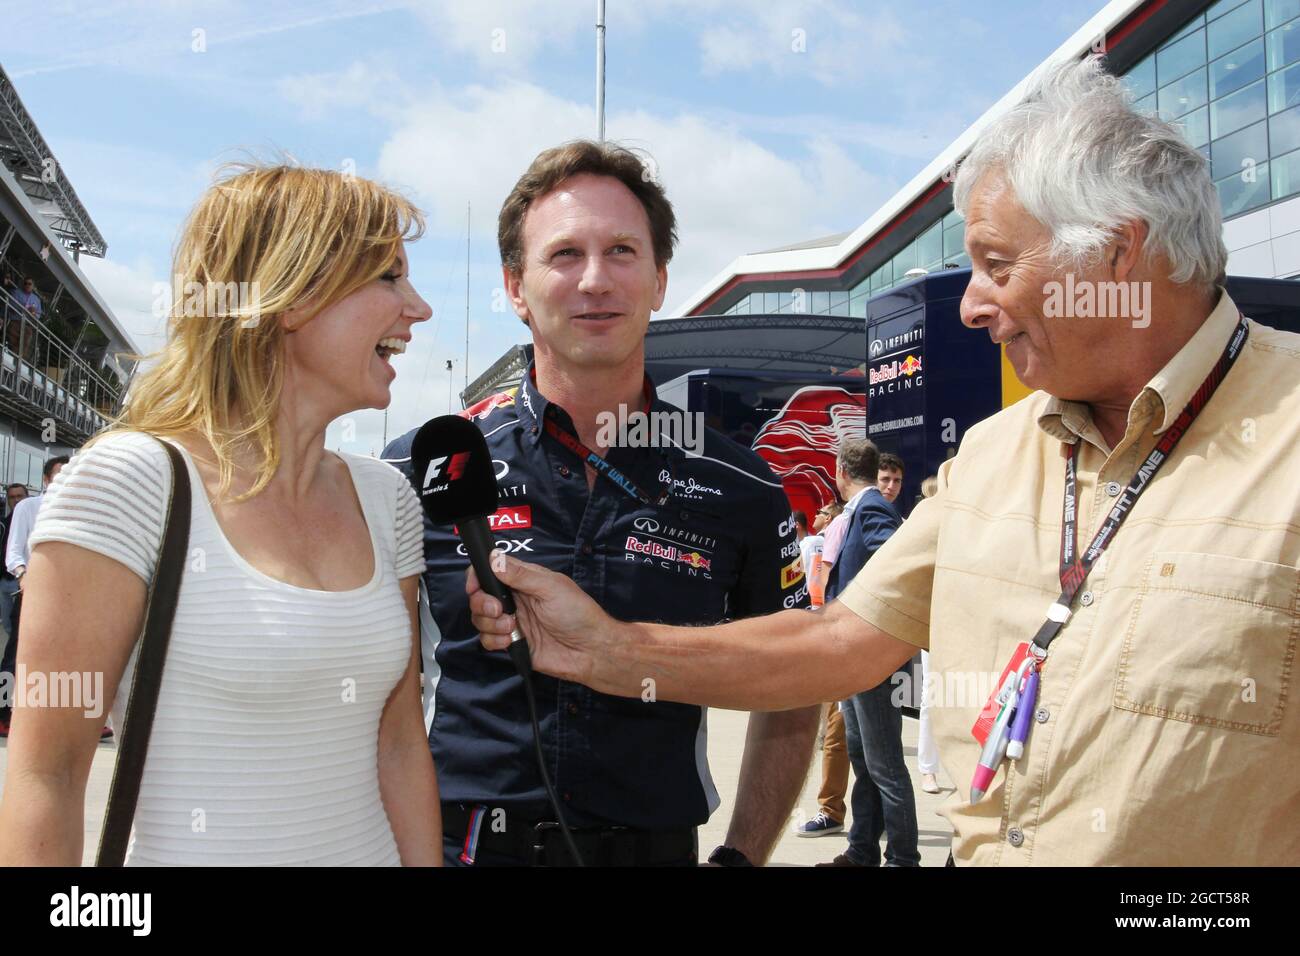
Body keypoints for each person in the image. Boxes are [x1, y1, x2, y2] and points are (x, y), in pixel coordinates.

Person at [466, 58, 1300, 866]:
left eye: (997, 266)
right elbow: (837, 642)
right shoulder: (993, 455)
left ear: (1117, 256)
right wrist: (607, 649)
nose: (973, 304)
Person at [383, 140, 819, 867]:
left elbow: (794, 683)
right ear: (515, 288)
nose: (595, 280)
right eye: (563, 255)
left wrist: (742, 857)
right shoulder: (422, 467)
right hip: (460, 848)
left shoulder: (744, 486)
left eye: (621, 251)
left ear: (659, 280)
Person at [0, 163, 441, 866]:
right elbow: (45, 776)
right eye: (388, 277)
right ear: (293, 296)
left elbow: (398, 743)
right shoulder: (129, 481)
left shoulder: (388, 499)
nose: (417, 308)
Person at [817, 439, 917, 867]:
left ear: (840, 470)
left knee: (886, 765)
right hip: (857, 657)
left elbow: (895, 558)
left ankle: (902, 858)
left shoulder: (872, 507)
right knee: (862, 758)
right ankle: (862, 849)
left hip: (873, 656)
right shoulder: (859, 509)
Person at [0, 458, 66, 738]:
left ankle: (56, 720)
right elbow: (14, 552)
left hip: (69, 595)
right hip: (33, 591)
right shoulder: (29, 508)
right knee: (16, 656)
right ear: (46, 480)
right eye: (60, 475)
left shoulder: (79, 509)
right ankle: (3, 714)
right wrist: (24, 575)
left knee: (67, 658)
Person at [916, 475, 941, 795]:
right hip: (933, 622)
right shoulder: (920, 527)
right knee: (932, 697)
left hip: (965, 618)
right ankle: (928, 769)